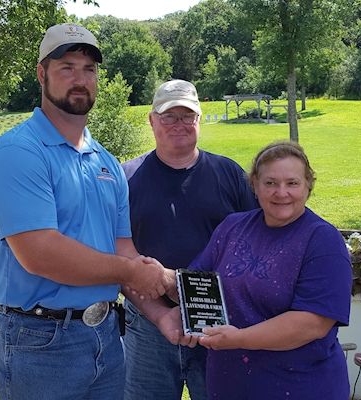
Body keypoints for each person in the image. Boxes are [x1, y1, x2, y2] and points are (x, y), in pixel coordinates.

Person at [0, 23, 168, 400]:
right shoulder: (19, 153)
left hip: (105, 337)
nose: (79, 79)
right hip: (39, 343)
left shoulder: (107, 162)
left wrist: (163, 315)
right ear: (41, 74)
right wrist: (130, 271)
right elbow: (40, 254)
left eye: (89, 69)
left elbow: (123, 248)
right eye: (67, 67)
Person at [122, 79, 258, 400]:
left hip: (220, 327)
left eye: (187, 116)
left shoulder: (230, 175)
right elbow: (117, 260)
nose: (178, 124)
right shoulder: (125, 179)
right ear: (152, 120)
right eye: (169, 116)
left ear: (199, 119)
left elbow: (257, 251)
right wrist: (159, 313)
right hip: (147, 328)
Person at [188, 141, 352, 399]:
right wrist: (161, 280)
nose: (281, 192)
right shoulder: (233, 227)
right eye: (270, 183)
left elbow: (312, 324)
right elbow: (197, 282)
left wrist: (239, 339)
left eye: (292, 183)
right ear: (254, 184)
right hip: (229, 385)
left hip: (299, 387)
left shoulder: (323, 241)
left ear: (308, 186)